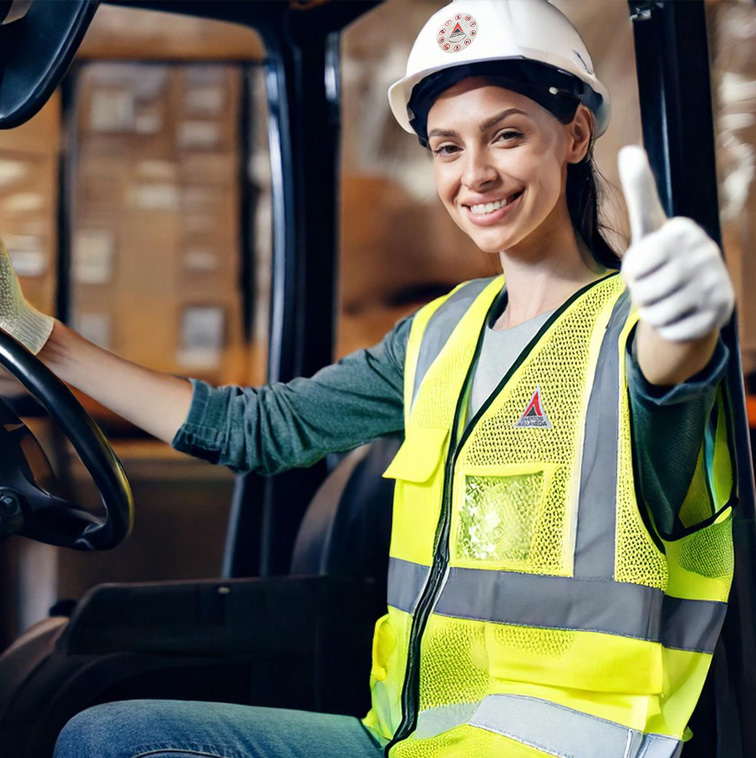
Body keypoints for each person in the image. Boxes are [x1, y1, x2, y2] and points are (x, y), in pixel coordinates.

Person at [0, 1, 736, 756]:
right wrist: (37, 337)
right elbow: (262, 428)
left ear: (576, 134)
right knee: (113, 736)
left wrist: (688, 325)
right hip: (408, 740)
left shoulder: (630, 329)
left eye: (506, 135)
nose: (474, 173)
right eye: (447, 148)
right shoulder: (438, 334)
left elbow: (665, 375)